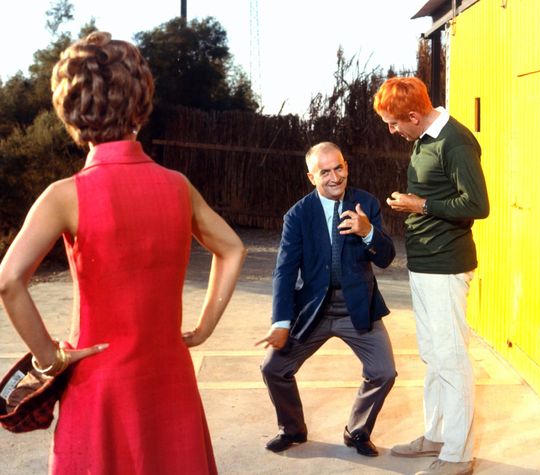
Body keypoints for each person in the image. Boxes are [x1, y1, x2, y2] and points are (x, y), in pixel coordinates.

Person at [0, 32, 246, 475]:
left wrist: (49, 359)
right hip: (170, 379)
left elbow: (8, 280)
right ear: (140, 103)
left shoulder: (64, 196)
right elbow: (232, 248)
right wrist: (204, 327)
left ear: (70, 109)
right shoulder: (178, 187)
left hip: (98, 387)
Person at [373, 77, 489, 475]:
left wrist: (420, 205)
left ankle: (459, 455)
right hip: (424, 264)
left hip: (446, 264)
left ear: (413, 115)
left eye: (393, 123)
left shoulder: (454, 141)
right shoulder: (423, 138)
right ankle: (437, 435)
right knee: (434, 355)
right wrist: (417, 204)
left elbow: (477, 204)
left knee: (451, 358)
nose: (392, 131)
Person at [255, 142, 396, 457]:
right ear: (311, 177)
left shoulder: (365, 203)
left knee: (384, 372)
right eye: (325, 172)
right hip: (313, 309)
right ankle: (292, 429)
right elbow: (285, 271)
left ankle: (357, 432)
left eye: (339, 168)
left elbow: (386, 257)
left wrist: (368, 232)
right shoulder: (298, 215)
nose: (335, 177)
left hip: (358, 307)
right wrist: (281, 321)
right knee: (273, 368)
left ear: (346, 166)